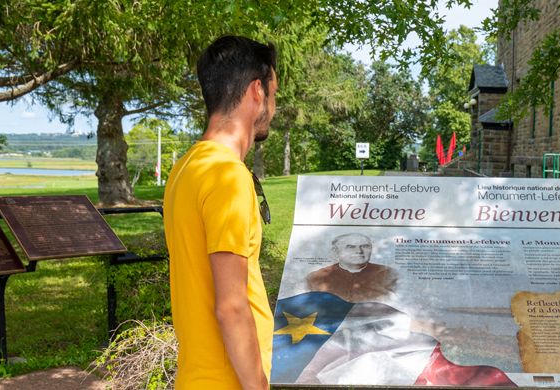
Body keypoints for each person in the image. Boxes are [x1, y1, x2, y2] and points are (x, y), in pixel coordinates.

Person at [163, 35, 278, 390]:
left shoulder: (185, 168)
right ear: (257, 92)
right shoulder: (228, 177)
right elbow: (231, 306)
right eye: (275, 95)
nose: (274, 107)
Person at [305, 233, 400, 303]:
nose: (359, 251)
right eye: (350, 247)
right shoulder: (316, 278)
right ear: (336, 251)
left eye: (365, 246)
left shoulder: (390, 275)